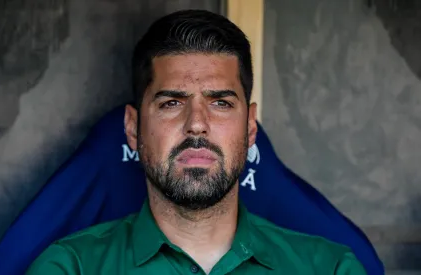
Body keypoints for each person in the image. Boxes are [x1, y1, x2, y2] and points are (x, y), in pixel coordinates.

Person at [26, 9, 367, 275]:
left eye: (220, 103)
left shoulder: (330, 268)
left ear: (250, 128)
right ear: (133, 128)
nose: (197, 125)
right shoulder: (70, 267)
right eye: (171, 103)